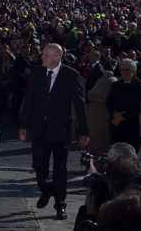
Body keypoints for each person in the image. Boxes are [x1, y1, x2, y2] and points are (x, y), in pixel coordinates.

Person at [19, 43, 89, 220]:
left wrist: (84, 132)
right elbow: (29, 99)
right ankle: (47, 189)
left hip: (62, 130)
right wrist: (23, 125)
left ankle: (60, 205)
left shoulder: (71, 75)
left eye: (45, 55)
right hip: (40, 129)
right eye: (42, 54)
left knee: (60, 169)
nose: (41, 57)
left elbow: (80, 105)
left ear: (57, 58)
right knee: (38, 165)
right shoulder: (37, 72)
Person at [106, 58, 141, 153]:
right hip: (117, 127)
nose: (124, 72)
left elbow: (138, 107)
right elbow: (109, 102)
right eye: (122, 70)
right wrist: (114, 114)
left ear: (134, 71)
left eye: (127, 69)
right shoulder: (116, 85)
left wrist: (120, 117)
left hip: (132, 128)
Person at [87, 71, 118, 154]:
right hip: (99, 110)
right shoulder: (111, 81)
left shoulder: (110, 81)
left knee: (100, 134)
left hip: (101, 110)